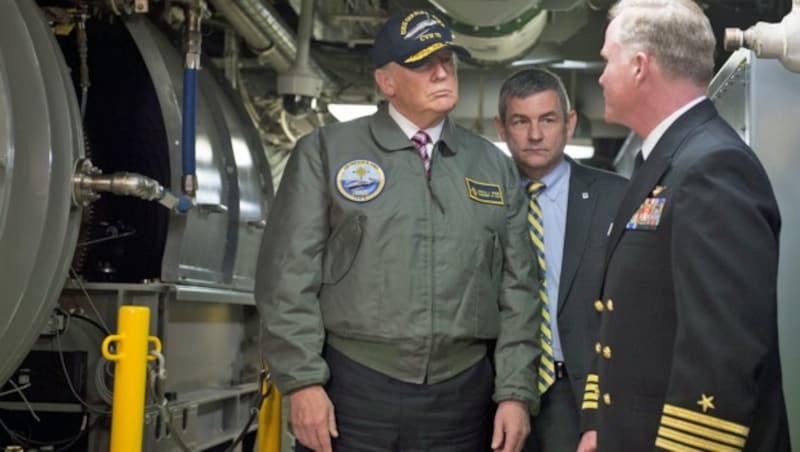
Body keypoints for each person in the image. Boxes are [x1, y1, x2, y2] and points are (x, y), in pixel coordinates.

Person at [255, 9, 541, 452]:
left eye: (448, 58)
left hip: (463, 397)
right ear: (386, 82)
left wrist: (515, 393)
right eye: (424, 62)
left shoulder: (493, 167)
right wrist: (302, 383)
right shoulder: (326, 153)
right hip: (354, 388)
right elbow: (287, 278)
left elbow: (519, 291)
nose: (443, 71)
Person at [577, 1, 791, 451]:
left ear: (639, 66)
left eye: (606, 60)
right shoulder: (666, 161)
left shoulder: (713, 167)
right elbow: (626, 316)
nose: (599, 77)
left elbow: (721, 353)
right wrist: (599, 422)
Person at [493, 68, 627, 452]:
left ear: (569, 124)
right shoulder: (482, 197)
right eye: (521, 121)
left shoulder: (616, 197)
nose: (535, 135)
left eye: (547, 120)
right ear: (501, 127)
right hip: (499, 392)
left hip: (582, 391)